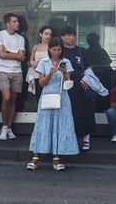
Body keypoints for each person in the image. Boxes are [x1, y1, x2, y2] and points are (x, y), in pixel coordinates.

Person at [27, 37, 79, 171]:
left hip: (62, 96)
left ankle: (57, 157)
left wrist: (64, 73)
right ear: (49, 49)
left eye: (59, 50)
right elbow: (41, 83)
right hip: (47, 95)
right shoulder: (44, 62)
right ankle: (35, 155)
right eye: (54, 49)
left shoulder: (66, 62)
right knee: (43, 124)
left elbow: (68, 83)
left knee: (60, 125)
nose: (57, 52)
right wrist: (50, 73)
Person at [61, 26, 95, 151]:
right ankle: (71, 139)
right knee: (69, 113)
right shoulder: (60, 51)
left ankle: (86, 139)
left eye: (72, 35)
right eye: (67, 35)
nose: (70, 37)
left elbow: (89, 67)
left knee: (86, 112)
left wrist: (87, 80)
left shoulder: (81, 51)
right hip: (66, 86)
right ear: (62, 37)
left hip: (82, 84)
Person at [0, 13, 26, 141]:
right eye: (14, 21)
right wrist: (14, 54)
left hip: (17, 71)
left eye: (17, 21)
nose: (17, 23)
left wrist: (8, 52)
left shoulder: (21, 39)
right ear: (7, 24)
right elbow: (1, 55)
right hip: (2, 70)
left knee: (13, 99)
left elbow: (22, 57)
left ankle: (9, 127)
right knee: (6, 98)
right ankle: (4, 127)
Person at [29, 26, 52, 101]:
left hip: (49, 76)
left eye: (50, 34)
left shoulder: (52, 47)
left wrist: (39, 63)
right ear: (40, 34)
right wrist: (33, 63)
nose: (48, 36)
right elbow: (31, 60)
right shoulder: (36, 47)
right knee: (39, 98)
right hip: (37, 75)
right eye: (46, 34)